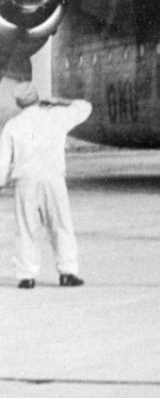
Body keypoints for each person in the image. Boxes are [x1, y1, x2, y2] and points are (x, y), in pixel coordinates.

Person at [0, 83, 92, 289]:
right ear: (37, 98)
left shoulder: (12, 125)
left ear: (18, 103)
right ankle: (67, 272)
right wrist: (59, 101)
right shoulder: (56, 116)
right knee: (61, 226)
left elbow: (3, 160)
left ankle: (26, 276)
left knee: (25, 229)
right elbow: (85, 107)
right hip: (53, 180)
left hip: (25, 182)